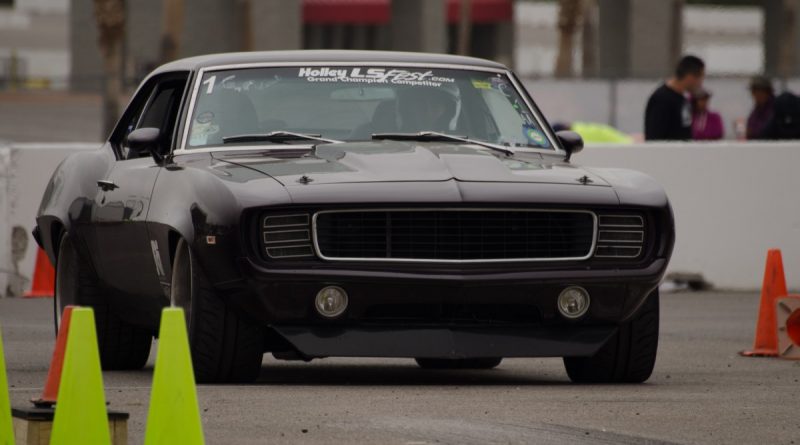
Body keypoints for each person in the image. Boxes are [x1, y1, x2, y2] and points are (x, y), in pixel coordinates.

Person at [644, 55, 705, 141]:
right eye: (700, 78)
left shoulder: (683, 99)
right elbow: (654, 138)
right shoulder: (662, 99)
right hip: (668, 153)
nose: (700, 84)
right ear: (690, 76)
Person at [746, 76, 775, 140]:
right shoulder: (757, 110)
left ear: (766, 92)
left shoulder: (775, 109)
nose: (754, 95)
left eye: (756, 91)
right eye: (753, 92)